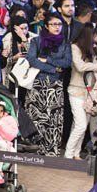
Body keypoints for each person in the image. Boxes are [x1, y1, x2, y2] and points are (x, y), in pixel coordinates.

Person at [24, 13, 71, 156]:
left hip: (55, 85)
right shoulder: (37, 41)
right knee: (37, 118)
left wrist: (48, 59)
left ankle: (51, 151)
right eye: (54, 24)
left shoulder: (65, 43)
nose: (57, 27)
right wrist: (53, 68)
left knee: (53, 118)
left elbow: (67, 62)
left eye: (59, 24)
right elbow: (31, 59)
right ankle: (35, 150)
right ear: (46, 26)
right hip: (38, 84)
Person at [65, 23, 97, 159]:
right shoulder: (75, 47)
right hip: (76, 90)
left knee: (80, 124)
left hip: (90, 93)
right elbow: (80, 66)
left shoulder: (93, 50)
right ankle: (68, 154)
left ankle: (76, 153)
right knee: (81, 125)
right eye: (96, 34)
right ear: (90, 35)